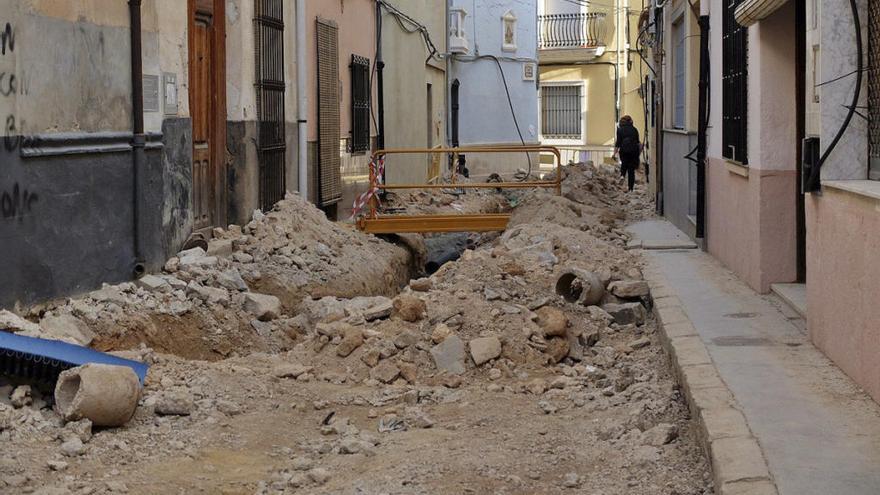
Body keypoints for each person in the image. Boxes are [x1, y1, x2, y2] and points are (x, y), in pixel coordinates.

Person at [614, 115, 643, 192]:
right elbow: (638, 143)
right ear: (630, 121)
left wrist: (614, 153)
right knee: (631, 170)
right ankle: (630, 189)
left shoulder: (620, 130)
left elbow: (618, 143)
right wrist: (639, 153)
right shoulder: (634, 129)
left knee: (624, 163)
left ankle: (622, 175)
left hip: (624, 150)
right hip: (634, 151)